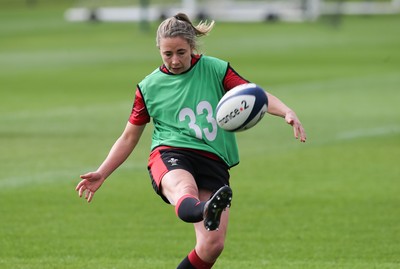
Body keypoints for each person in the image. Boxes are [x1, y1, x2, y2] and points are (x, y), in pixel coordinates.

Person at [75, 13, 306, 269]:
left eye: (181, 52)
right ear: (159, 51)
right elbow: (129, 136)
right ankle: (205, 207)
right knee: (186, 192)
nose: (175, 60)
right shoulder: (148, 87)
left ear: (192, 47)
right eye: (168, 54)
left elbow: (253, 94)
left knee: (212, 246)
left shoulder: (216, 69)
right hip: (170, 153)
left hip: (212, 158)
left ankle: (205, 207)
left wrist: (286, 111)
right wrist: (102, 172)